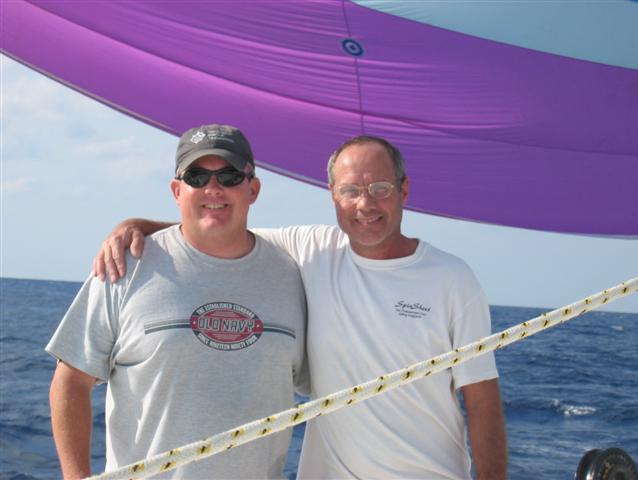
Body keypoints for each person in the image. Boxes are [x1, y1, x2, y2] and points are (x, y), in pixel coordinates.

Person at [95, 136, 508, 479]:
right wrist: (136, 227)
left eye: (380, 189)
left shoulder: (452, 279)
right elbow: (220, 227)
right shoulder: (312, 250)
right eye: (350, 191)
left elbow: (483, 402)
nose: (365, 204)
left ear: (403, 190)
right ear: (333, 196)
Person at [46, 124, 308, 479]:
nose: (213, 188)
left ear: (253, 189)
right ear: (177, 190)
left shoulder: (293, 274)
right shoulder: (124, 265)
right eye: (197, 177)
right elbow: (71, 380)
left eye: (229, 176)